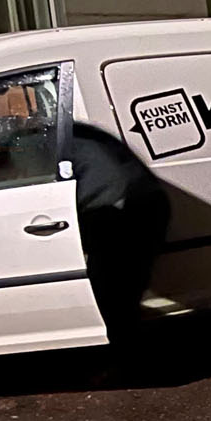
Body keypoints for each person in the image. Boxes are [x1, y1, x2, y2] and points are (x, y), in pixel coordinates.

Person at [67, 121, 170, 342]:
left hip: (129, 210)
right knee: (118, 295)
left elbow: (106, 185)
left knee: (112, 296)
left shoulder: (72, 143)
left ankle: (128, 350)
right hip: (138, 204)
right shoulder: (74, 135)